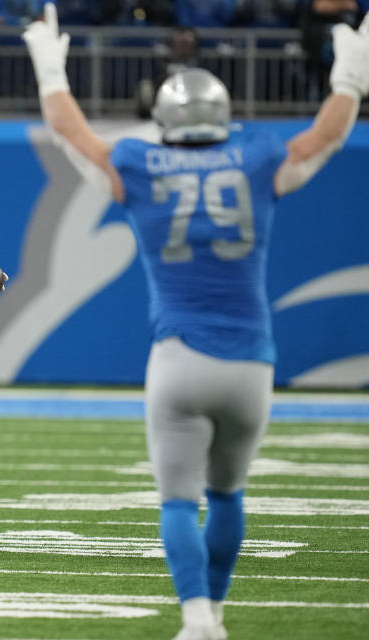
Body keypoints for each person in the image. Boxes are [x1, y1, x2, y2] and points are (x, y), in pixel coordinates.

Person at [24, 6, 369, 640]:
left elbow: (68, 131)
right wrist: (350, 75)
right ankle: (218, 609)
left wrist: (49, 63)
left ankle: (198, 619)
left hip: (179, 358)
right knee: (229, 495)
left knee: (180, 501)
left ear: (165, 117)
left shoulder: (139, 164)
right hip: (250, 361)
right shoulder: (257, 159)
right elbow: (326, 137)